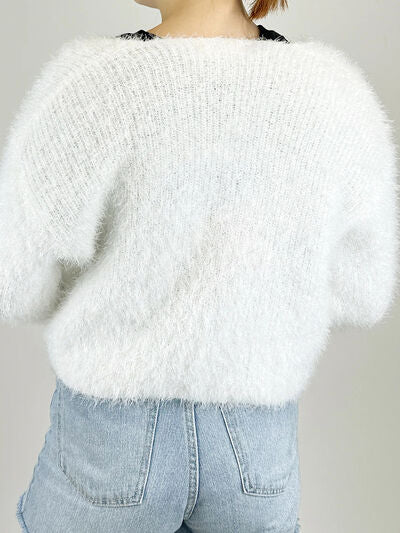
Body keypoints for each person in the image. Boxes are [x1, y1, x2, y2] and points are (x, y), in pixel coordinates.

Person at [0, 0, 398, 531]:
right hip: (256, 444)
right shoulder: (336, 93)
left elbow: (15, 282)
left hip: (114, 439)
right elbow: (364, 292)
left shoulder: (94, 83)